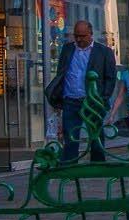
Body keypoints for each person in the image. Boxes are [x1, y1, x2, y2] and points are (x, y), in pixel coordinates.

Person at [46, 20, 118, 163]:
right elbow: (61, 72)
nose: (79, 39)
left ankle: (97, 164)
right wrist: (58, 96)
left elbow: (110, 77)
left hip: (92, 101)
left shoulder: (103, 52)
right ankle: (70, 165)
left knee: (95, 134)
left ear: (90, 34)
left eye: (82, 36)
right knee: (70, 134)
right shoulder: (67, 49)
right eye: (76, 36)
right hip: (70, 99)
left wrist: (103, 98)